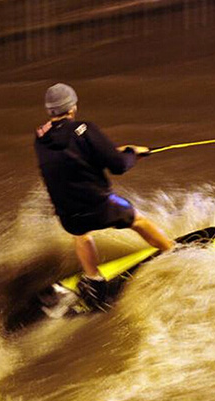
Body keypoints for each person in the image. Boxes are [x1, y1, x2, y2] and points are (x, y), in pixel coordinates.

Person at [34, 83, 174, 310]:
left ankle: (95, 281)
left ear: (50, 111)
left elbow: (74, 156)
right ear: (73, 107)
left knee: (81, 234)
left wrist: (112, 150)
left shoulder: (41, 138)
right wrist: (132, 153)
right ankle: (173, 252)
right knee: (137, 220)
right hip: (99, 205)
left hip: (68, 215)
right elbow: (118, 166)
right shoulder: (84, 129)